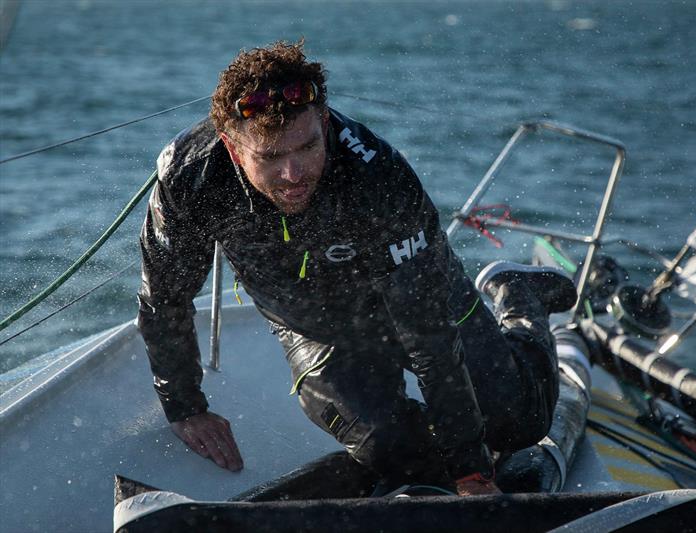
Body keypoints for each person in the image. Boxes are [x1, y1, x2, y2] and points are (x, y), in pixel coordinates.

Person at [136, 40, 576, 497]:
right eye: (269, 158)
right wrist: (184, 406)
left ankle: (519, 297)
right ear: (231, 146)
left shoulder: (377, 177)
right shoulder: (191, 177)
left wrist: (471, 471)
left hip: (420, 299)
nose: (293, 174)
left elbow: (428, 336)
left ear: (324, 122)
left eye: (307, 146)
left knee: (516, 423)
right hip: (315, 327)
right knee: (391, 449)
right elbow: (164, 295)